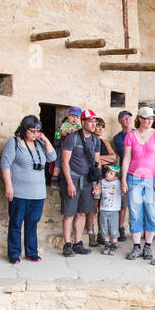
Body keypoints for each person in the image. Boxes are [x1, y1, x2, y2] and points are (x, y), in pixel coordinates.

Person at [0, 115, 56, 264]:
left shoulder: (39, 144)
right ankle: (14, 253)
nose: (35, 133)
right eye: (33, 130)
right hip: (19, 192)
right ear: (24, 129)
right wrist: (8, 186)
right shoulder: (14, 143)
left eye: (38, 130)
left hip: (37, 193)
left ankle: (31, 252)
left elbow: (52, 157)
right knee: (16, 223)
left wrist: (45, 139)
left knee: (32, 224)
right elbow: (5, 164)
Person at [121, 106, 155, 260]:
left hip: (152, 179)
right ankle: (136, 246)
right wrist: (123, 179)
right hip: (134, 178)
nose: (149, 121)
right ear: (140, 118)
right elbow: (126, 158)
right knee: (134, 212)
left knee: (151, 212)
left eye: (151, 118)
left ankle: (147, 246)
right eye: (146, 118)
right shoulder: (130, 136)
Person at [60, 109, 102, 256]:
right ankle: (67, 244)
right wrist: (70, 183)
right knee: (69, 213)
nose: (93, 124)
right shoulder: (72, 138)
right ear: (82, 122)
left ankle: (78, 243)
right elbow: (64, 162)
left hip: (88, 181)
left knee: (82, 213)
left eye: (95, 121)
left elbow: (97, 163)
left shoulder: (96, 140)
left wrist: (98, 183)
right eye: (90, 121)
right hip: (73, 178)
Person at [86, 117, 119, 247]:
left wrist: (97, 159)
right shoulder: (89, 141)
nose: (99, 129)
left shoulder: (104, 142)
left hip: (106, 177)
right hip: (94, 177)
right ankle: (90, 233)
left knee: (103, 207)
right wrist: (100, 160)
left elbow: (113, 157)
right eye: (97, 126)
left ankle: (102, 233)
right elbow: (88, 160)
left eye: (102, 126)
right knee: (92, 207)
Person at [111, 109, 134, 240]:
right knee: (123, 203)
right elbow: (124, 153)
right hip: (126, 171)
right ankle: (121, 227)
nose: (128, 120)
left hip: (140, 171)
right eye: (125, 118)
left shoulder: (138, 133)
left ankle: (142, 229)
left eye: (129, 118)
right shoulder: (118, 138)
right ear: (120, 121)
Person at [96, 164, 122, 254]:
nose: (107, 174)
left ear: (116, 177)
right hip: (103, 209)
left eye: (111, 173)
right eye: (107, 172)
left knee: (114, 227)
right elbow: (98, 191)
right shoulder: (102, 182)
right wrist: (96, 191)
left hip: (114, 210)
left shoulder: (118, 183)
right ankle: (107, 244)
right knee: (104, 227)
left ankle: (114, 244)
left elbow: (122, 192)